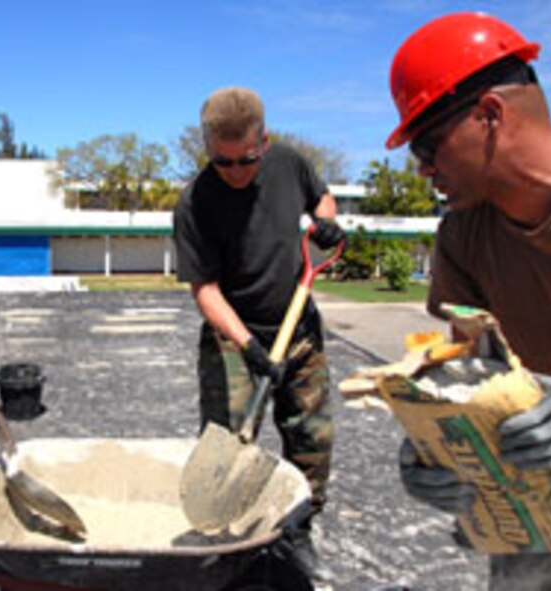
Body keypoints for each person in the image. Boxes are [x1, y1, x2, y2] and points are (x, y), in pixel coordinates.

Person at [385, 12, 551, 590]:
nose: (423, 169)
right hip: (546, 526)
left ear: (490, 115)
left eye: (427, 142)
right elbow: (474, 377)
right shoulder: (463, 237)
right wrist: (438, 448)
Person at [173, 86, 346, 589]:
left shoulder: (291, 163)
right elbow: (204, 290)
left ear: (263, 142)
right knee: (227, 443)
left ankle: (296, 530)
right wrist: (248, 346)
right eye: (220, 162)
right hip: (233, 336)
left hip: (298, 328)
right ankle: (225, 541)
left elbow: (323, 198)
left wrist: (326, 221)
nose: (234, 172)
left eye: (244, 160)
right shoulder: (196, 202)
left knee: (312, 437)